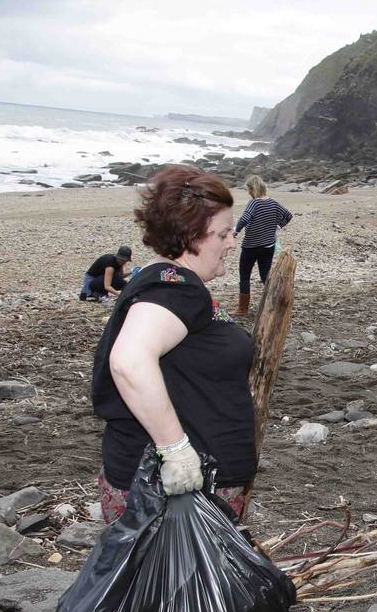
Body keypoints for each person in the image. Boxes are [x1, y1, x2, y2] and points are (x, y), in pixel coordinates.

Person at [91, 165, 256, 523]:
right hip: (170, 495)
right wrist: (176, 450)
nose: (232, 243)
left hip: (182, 490)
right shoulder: (174, 288)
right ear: (191, 235)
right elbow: (130, 361)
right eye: (224, 233)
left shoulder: (162, 282)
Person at [234, 175, 293, 318]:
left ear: (252, 188)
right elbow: (288, 215)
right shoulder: (273, 203)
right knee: (265, 276)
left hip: (251, 246)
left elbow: (245, 218)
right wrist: (277, 226)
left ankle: (243, 309)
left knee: (244, 276)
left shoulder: (254, 203)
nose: (248, 192)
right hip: (268, 245)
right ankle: (274, 304)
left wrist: (235, 231)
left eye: (248, 189)